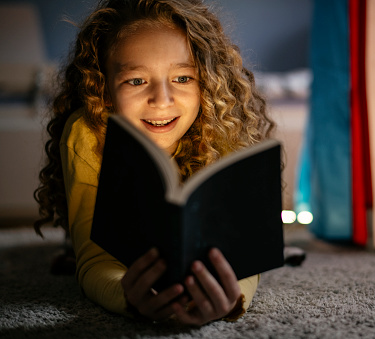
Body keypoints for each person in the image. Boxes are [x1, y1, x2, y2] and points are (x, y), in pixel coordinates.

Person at [33, 0, 275, 325]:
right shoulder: (88, 132)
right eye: (136, 81)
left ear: (209, 81)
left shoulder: (223, 125)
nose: (162, 100)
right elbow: (94, 259)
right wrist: (127, 296)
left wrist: (232, 297)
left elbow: (245, 257)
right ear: (103, 89)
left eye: (184, 78)